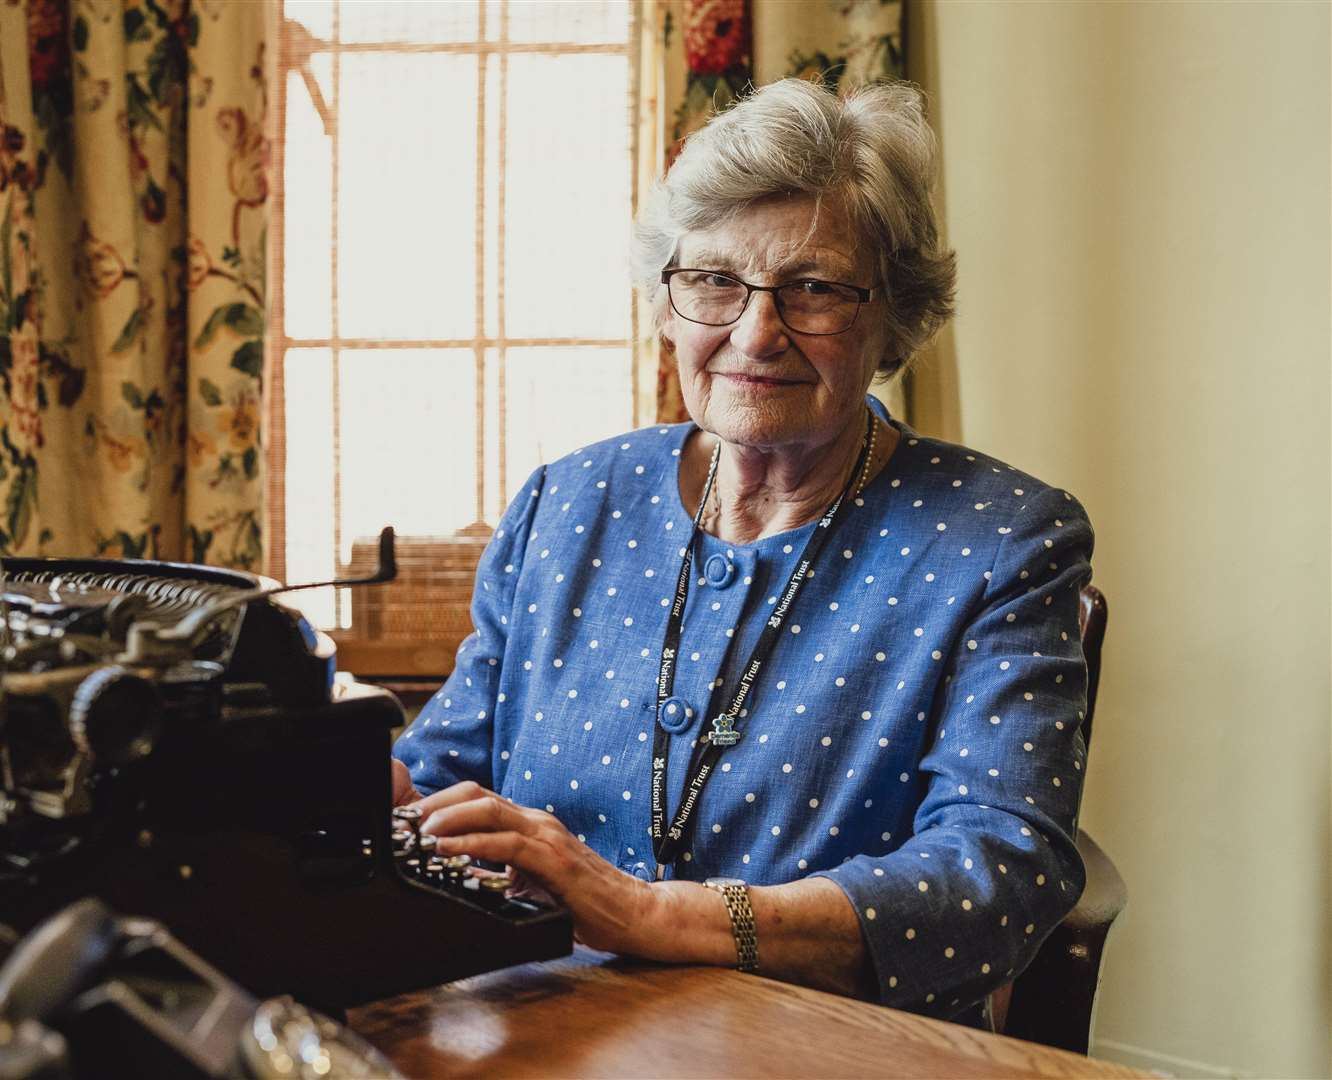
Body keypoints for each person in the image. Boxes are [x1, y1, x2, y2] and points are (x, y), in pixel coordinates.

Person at [390, 76, 1091, 1024]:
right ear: (667, 303)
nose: (755, 334)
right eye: (715, 280)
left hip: (821, 1038)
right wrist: (338, 778)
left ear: (893, 318)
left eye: (814, 289)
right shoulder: (568, 503)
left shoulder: (998, 541)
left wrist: (646, 914)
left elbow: (997, 872)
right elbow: (442, 780)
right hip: (536, 1019)